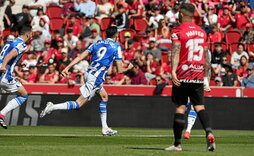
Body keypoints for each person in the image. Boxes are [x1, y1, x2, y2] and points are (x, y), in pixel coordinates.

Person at [40, 26, 134, 136]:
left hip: (89, 74)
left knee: (104, 97)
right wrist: (129, 68)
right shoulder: (116, 47)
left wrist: (67, 67)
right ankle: (52, 107)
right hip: (95, 78)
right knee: (78, 104)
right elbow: (119, 70)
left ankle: (105, 128)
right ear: (116, 35)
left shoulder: (97, 43)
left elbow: (80, 57)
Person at [165, 3, 215, 152]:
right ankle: (209, 132)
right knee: (200, 107)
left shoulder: (178, 30)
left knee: (180, 108)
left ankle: (177, 144)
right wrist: (206, 77)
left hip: (183, 73)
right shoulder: (202, 32)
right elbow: (206, 57)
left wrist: (173, 70)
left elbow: (176, 50)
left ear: (180, 14)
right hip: (198, 74)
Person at [0, 27, 33, 129]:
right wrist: (3, 66)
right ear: (27, 34)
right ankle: (1, 114)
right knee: (24, 95)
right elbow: (9, 56)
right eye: (31, 34)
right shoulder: (22, 45)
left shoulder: (10, 41)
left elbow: (6, 56)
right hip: (4, 75)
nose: (32, 36)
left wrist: (19, 64)